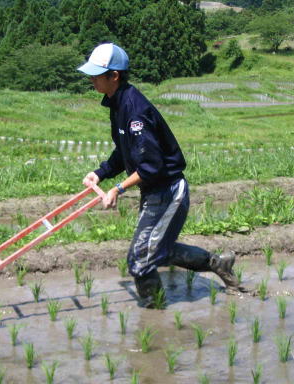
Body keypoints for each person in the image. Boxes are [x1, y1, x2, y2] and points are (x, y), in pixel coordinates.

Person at [77, 42, 241, 308]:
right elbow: (125, 151)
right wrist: (100, 173)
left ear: (114, 75)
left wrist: (117, 189)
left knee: (140, 259)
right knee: (157, 252)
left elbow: (151, 165)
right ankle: (217, 263)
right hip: (153, 190)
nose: (91, 79)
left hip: (168, 191)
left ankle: (154, 318)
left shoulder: (135, 110)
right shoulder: (118, 104)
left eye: (96, 74)